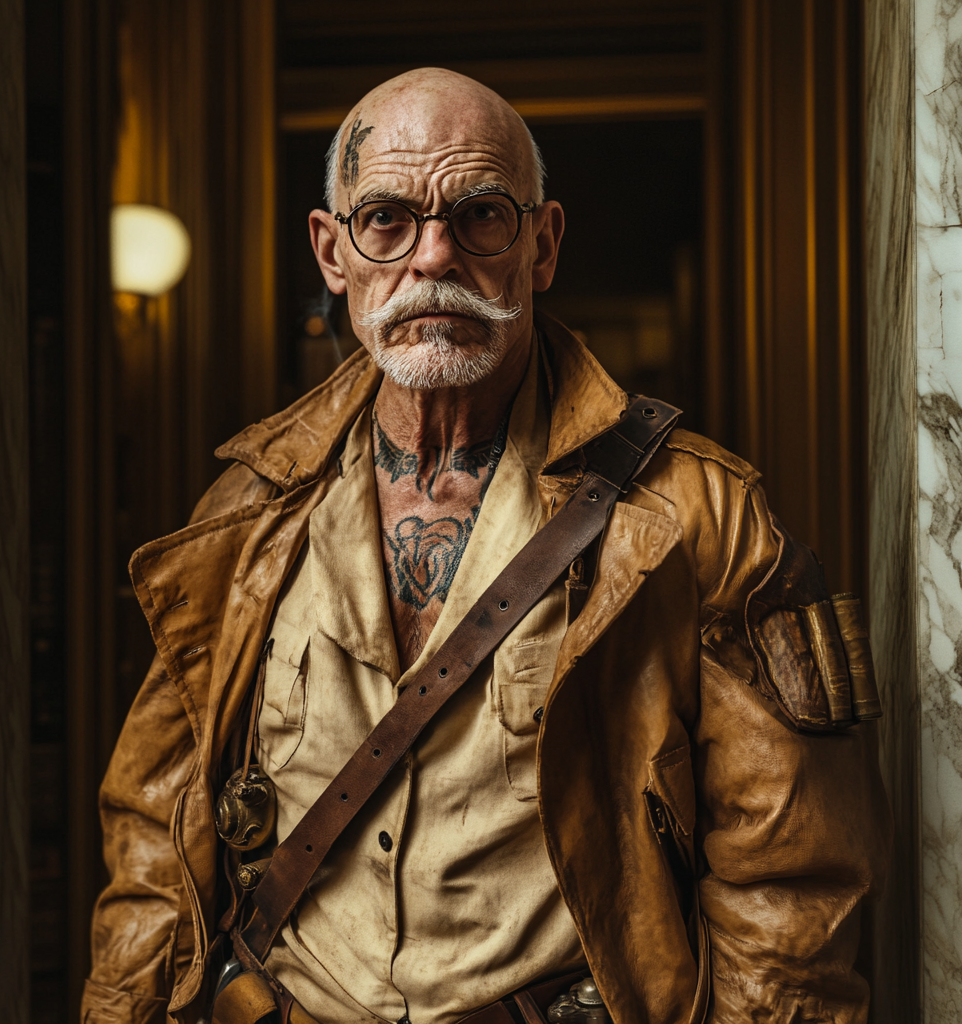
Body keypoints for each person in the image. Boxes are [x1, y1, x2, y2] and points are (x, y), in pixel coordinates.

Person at [82, 68, 891, 1024]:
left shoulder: (697, 516)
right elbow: (155, 841)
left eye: (480, 217)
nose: (433, 257)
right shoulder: (246, 516)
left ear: (542, 245)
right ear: (331, 251)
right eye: (385, 218)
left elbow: (794, 884)